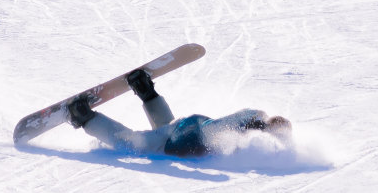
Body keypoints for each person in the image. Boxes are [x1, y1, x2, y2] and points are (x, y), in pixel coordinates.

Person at [68, 67, 291, 157]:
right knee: (135, 144)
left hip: (190, 126)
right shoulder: (250, 132)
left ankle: (146, 91)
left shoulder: (254, 117)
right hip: (188, 139)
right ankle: (86, 118)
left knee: (164, 128)